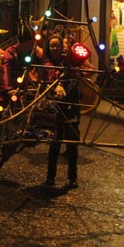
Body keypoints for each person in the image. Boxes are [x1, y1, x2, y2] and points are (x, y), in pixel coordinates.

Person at [43, 47, 81, 190]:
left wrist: (66, 92)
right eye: (51, 45)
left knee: (72, 146)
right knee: (55, 145)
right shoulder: (51, 65)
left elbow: (75, 82)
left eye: (56, 45)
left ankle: (72, 178)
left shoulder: (71, 67)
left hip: (71, 111)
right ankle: (50, 177)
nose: (55, 48)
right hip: (56, 110)